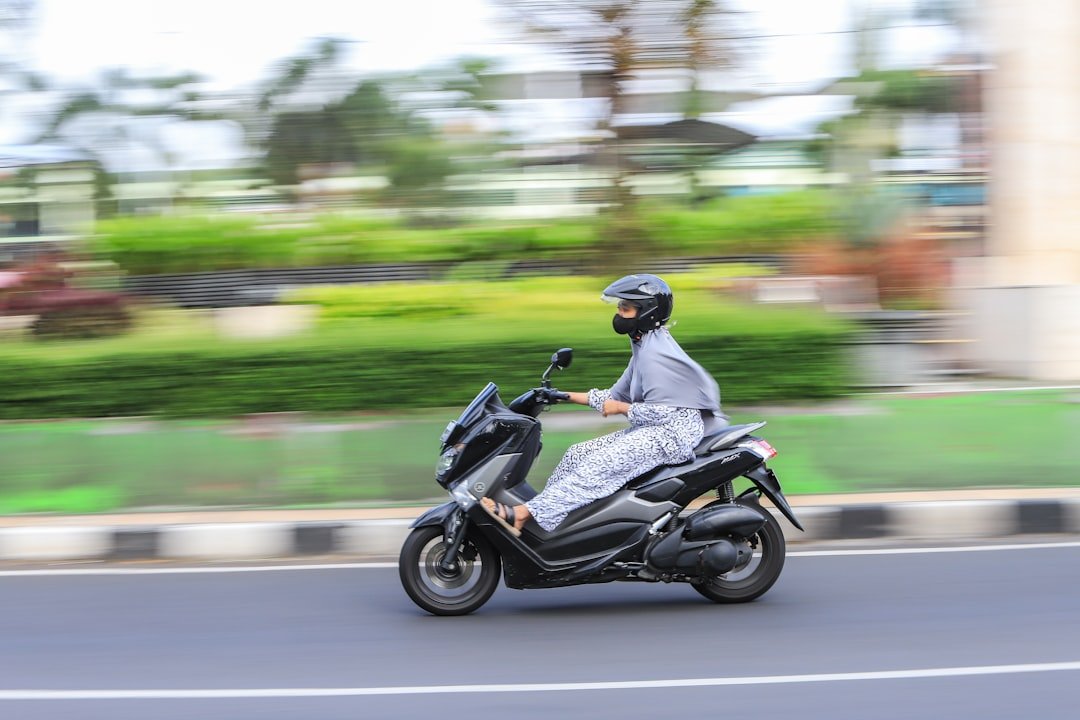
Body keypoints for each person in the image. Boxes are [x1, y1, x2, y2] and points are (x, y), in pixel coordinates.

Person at [481, 273, 727, 535]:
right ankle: (550, 523)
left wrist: (623, 409)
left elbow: (664, 412)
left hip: (671, 436)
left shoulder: (655, 355)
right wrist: (561, 396)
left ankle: (523, 514)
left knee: (598, 464)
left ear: (646, 312)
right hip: (655, 431)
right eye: (619, 307)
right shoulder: (644, 347)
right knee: (577, 454)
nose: (619, 314)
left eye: (625, 308)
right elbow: (616, 395)